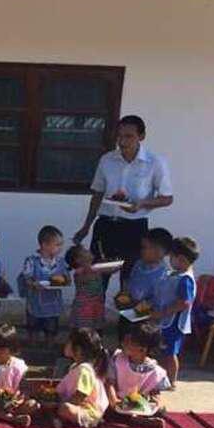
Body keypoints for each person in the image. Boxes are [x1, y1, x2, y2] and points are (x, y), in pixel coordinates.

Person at [73, 115, 174, 291]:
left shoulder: (155, 163)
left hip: (134, 228)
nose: (122, 141)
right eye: (119, 136)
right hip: (106, 226)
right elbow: (97, 194)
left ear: (141, 136)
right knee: (97, 278)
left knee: (129, 280)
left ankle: (125, 310)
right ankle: (93, 310)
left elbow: (167, 198)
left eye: (129, 136)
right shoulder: (107, 160)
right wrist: (86, 226)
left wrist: (142, 204)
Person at [151, 236, 199, 385]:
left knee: (170, 353)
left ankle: (172, 381)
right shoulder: (174, 274)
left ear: (181, 259)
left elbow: (184, 302)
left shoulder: (185, 279)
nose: (169, 260)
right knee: (162, 351)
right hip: (164, 321)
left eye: (171, 257)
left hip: (174, 324)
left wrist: (163, 312)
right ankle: (161, 378)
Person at [105, 322, 170, 428]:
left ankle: (140, 419)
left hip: (138, 405)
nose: (123, 343)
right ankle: (138, 420)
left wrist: (155, 403)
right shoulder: (117, 359)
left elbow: (154, 392)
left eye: (129, 342)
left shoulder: (155, 370)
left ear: (142, 349)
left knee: (161, 411)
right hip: (118, 402)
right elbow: (109, 383)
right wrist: (114, 401)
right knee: (107, 411)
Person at [116, 227, 172, 341]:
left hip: (145, 321)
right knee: (123, 339)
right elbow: (130, 284)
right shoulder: (138, 264)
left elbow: (157, 302)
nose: (142, 251)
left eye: (146, 248)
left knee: (137, 344)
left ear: (159, 251)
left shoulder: (163, 275)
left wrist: (136, 307)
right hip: (128, 313)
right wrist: (123, 295)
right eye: (142, 247)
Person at [18, 225, 69, 346]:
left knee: (51, 328)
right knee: (33, 327)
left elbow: (67, 279)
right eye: (57, 245)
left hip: (53, 303)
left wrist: (63, 280)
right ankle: (31, 347)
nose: (60, 248)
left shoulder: (60, 262)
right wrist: (33, 283)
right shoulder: (32, 261)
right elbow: (27, 277)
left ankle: (50, 347)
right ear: (45, 245)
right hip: (35, 302)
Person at [55, 328, 110, 428]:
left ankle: (63, 418)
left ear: (78, 349)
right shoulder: (74, 366)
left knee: (65, 408)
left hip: (88, 412)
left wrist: (64, 403)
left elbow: (81, 395)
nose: (65, 345)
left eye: (68, 342)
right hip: (77, 406)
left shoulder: (85, 370)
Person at [65, 245, 108, 332]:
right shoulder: (79, 271)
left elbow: (111, 269)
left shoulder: (95, 268)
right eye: (85, 251)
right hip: (84, 308)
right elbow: (86, 277)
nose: (89, 251)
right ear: (78, 260)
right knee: (83, 331)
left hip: (96, 305)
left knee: (95, 330)